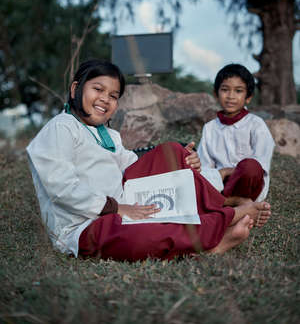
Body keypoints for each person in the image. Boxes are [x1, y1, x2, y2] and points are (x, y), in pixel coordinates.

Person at [27, 59, 271, 262]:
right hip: (86, 224)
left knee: (173, 152)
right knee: (142, 236)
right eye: (98, 89)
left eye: (113, 95)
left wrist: (186, 163)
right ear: (75, 89)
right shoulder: (61, 127)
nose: (105, 99)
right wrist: (117, 208)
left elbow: (134, 168)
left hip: (129, 202)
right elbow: (61, 188)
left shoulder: (108, 134)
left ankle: (221, 209)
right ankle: (220, 229)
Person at [197, 63, 275, 206]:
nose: (231, 96)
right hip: (221, 182)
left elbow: (261, 163)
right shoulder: (210, 128)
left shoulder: (256, 124)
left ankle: (224, 203)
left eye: (238, 91)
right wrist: (223, 173)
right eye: (225, 90)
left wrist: (236, 171)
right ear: (216, 94)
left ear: (248, 97)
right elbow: (205, 167)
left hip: (248, 182)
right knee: (197, 176)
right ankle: (229, 203)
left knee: (250, 166)